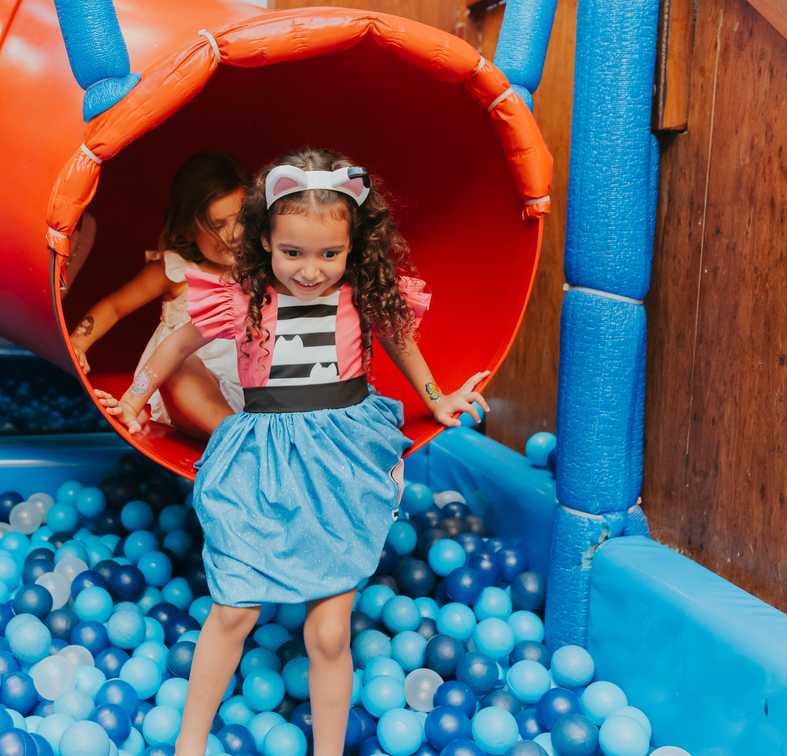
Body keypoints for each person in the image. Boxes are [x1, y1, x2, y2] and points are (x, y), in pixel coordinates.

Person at [97, 148, 490, 756]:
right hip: (264, 465)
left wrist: (437, 398)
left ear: (354, 247)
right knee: (233, 612)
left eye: (329, 254)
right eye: (292, 253)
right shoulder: (244, 297)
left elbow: (402, 340)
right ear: (266, 242)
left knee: (330, 633)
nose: (310, 270)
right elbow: (176, 344)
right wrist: (135, 397)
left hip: (341, 466)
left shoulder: (362, 295)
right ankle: (189, 745)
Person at [70, 152, 249, 438]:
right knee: (176, 363)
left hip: (253, 397)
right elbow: (114, 306)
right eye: (217, 226)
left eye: (241, 219)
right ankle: (243, 441)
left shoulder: (264, 268)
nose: (233, 234)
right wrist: (78, 343)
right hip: (191, 397)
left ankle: (251, 433)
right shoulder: (175, 270)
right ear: (189, 228)